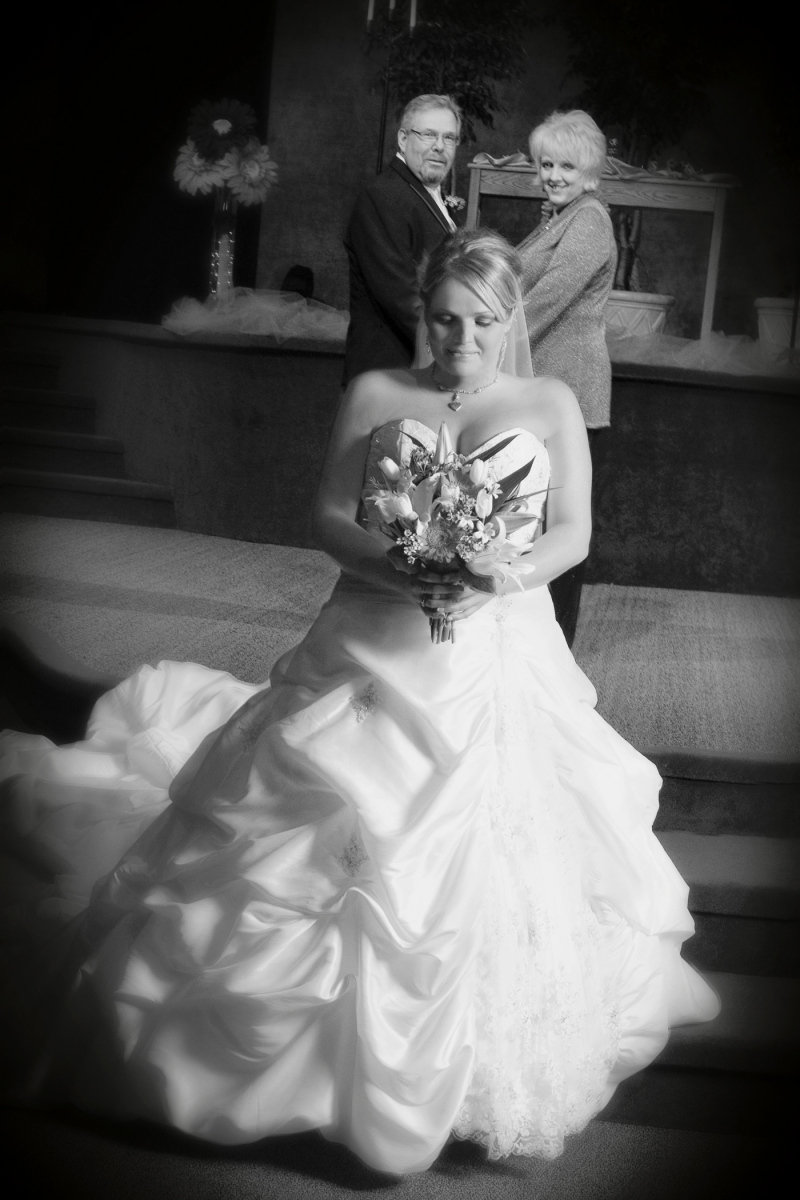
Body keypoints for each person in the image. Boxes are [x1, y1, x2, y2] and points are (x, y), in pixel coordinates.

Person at [0, 229, 719, 1177]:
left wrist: (490, 576)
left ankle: (471, 1065)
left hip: (498, 647)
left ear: (510, 319)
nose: (462, 340)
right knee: (317, 817)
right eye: (445, 319)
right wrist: (405, 566)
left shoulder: (549, 401)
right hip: (372, 633)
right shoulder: (376, 393)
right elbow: (331, 516)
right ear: (423, 314)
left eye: (482, 322)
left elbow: (574, 533)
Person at [517, 109, 617, 646]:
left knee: (561, 527)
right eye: (547, 164)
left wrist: (489, 346)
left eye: (567, 167)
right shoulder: (557, 217)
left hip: (572, 395)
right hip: (545, 390)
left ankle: (556, 655)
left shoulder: (590, 220)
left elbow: (547, 299)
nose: (553, 175)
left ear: (590, 173)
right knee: (532, 520)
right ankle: (532, 645)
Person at [342, 93, 461, 385]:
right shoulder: (383, 196)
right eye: (428, 134)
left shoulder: (421, 193)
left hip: (421, 372)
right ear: (403, 139)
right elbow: (403, 298)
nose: (439, 146)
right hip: (389, 376)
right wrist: (457, 346)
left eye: (449, 138)